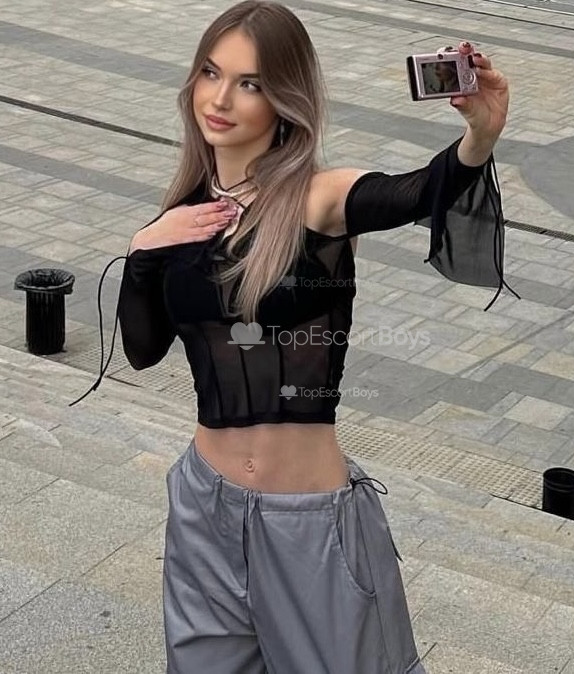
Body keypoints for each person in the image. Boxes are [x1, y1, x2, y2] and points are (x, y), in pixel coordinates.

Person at [70, 1, 512, 672]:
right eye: (211, 73)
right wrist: (144, 251)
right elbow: (143, 349)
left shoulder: (319, 198)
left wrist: (479, 136)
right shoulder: (184, 215)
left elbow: (421, 191)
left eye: (249, 82)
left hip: (308, 522)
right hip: (203, 507)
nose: (220, 99)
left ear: (284, 99)